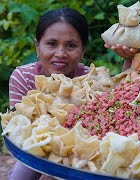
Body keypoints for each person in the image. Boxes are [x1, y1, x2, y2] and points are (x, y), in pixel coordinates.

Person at [8, 7, 90, 179]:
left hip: (80, 152)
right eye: (52, 44)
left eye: (71, 45)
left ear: (83, 50)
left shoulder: (91, 79)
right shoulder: (23, 77)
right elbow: (19, 132)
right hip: (35, 148)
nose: (60, 53)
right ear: (37, 46)